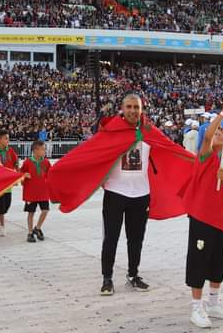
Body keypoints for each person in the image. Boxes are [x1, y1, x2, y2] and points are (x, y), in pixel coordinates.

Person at [48, 93, 195, 297]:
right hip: (116, 194)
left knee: (136, 239)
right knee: (111, 238)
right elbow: (87, 153)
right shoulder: (111, 132)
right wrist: (58, 172)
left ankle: (133, 275)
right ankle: (107, 278)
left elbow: (173, 150)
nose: (133, 110)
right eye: (129, 107)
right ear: (122, 108)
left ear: (142, 109)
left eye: (137, 107)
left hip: (141, 195)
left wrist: (199, 163)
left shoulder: (149, 131)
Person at [180, 92, 223, 329]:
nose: (219, 133)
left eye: (222, 131)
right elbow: (207, 136)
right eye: (216, 131)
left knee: (218, 262)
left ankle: (214, 303)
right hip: (202, 217)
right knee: (198, 261)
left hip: (222, 219)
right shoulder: (205, 155)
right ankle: (197, 306)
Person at [20, 141, 51, 243]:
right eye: (42, 149)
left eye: (44, 149)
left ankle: (37, 228)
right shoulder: (27, 162)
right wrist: (24, 175)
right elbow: (20, 173)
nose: (44, 151)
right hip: (31, 192)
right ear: (35, 150)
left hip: (43, 191)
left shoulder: (46, 162)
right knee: (31, 213)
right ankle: (30, 233)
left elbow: (50, 173)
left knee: (45, 210)